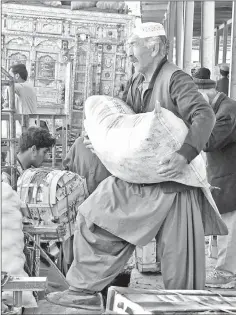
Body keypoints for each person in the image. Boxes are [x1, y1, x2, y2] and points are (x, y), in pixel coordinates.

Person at [47, 23, 228, 310]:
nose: (127, 50)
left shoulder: (175, 79)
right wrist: (102, 142)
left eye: (133, 44)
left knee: (180, 261)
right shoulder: (135, 82)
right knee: (94, 215)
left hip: (174, 182)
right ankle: (84, 290)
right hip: (138, 180)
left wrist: (185, 154)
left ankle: (187, 307)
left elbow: (203, 115)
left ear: (153, 47)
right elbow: (126, 126)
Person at [193, 68, 236, 288]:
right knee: (222, 222)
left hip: (231, 178)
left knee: (229, 225)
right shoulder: (218, 107)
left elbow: (209, 142)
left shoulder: (228, 111)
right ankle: (221, 267)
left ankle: (226, 273)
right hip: (220, 174)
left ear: (205, 93)